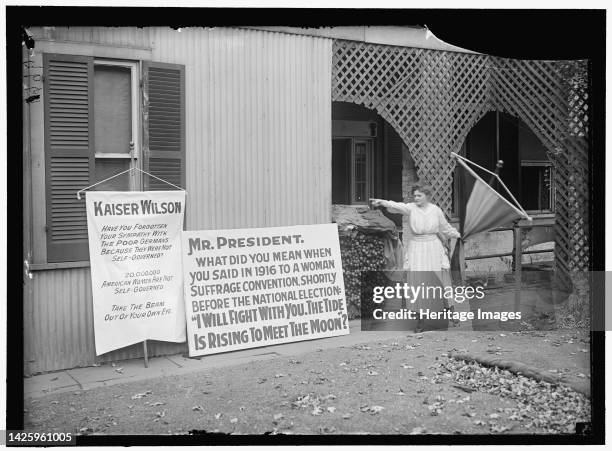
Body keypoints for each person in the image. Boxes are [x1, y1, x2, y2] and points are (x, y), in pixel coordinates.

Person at [370, 184, 460, 332]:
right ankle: (421, 321)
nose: (416, 198)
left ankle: (449, 311)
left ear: (427, 196)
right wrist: (382, 202)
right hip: (417, 249)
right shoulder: (411, 208)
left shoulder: (436, 211)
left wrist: (459, 235)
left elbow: (445, 228)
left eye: (419, 195)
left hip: (433, 248)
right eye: (415, 195)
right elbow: (397, 206)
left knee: (439, 280)